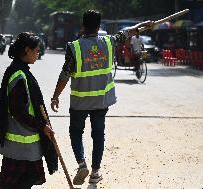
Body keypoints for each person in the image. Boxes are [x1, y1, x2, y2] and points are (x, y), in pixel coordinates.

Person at [50, 10, 153, 186]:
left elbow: (65, 74)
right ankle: (95, 172)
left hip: (79, 102)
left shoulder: (74, 47)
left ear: (83, 26)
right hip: (101, 101)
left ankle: (82, 164)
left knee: (76, 132)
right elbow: (128, 32)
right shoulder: (109, 42)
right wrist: (143, 26)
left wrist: (55, 96)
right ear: (99, 26)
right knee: (98, 135)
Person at [0, 32, 58, 189]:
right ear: (27, 50)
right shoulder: (19, 75)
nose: (38, 53)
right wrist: (42, 126)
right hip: (21, 140)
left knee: (21, 179)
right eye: (36, 50)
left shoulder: (20, 70)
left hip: (23, 139)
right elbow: (18, 111)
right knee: (21, 179)